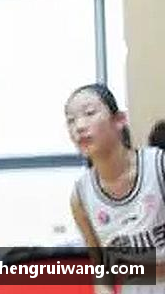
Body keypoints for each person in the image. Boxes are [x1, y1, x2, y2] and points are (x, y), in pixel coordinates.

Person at [66, 83, 165, 293]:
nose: (79, 126)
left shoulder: (159, 165)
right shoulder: (81, 195)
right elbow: (102, 271)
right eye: (71, 120)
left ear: (119, 120)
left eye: (89, 113)